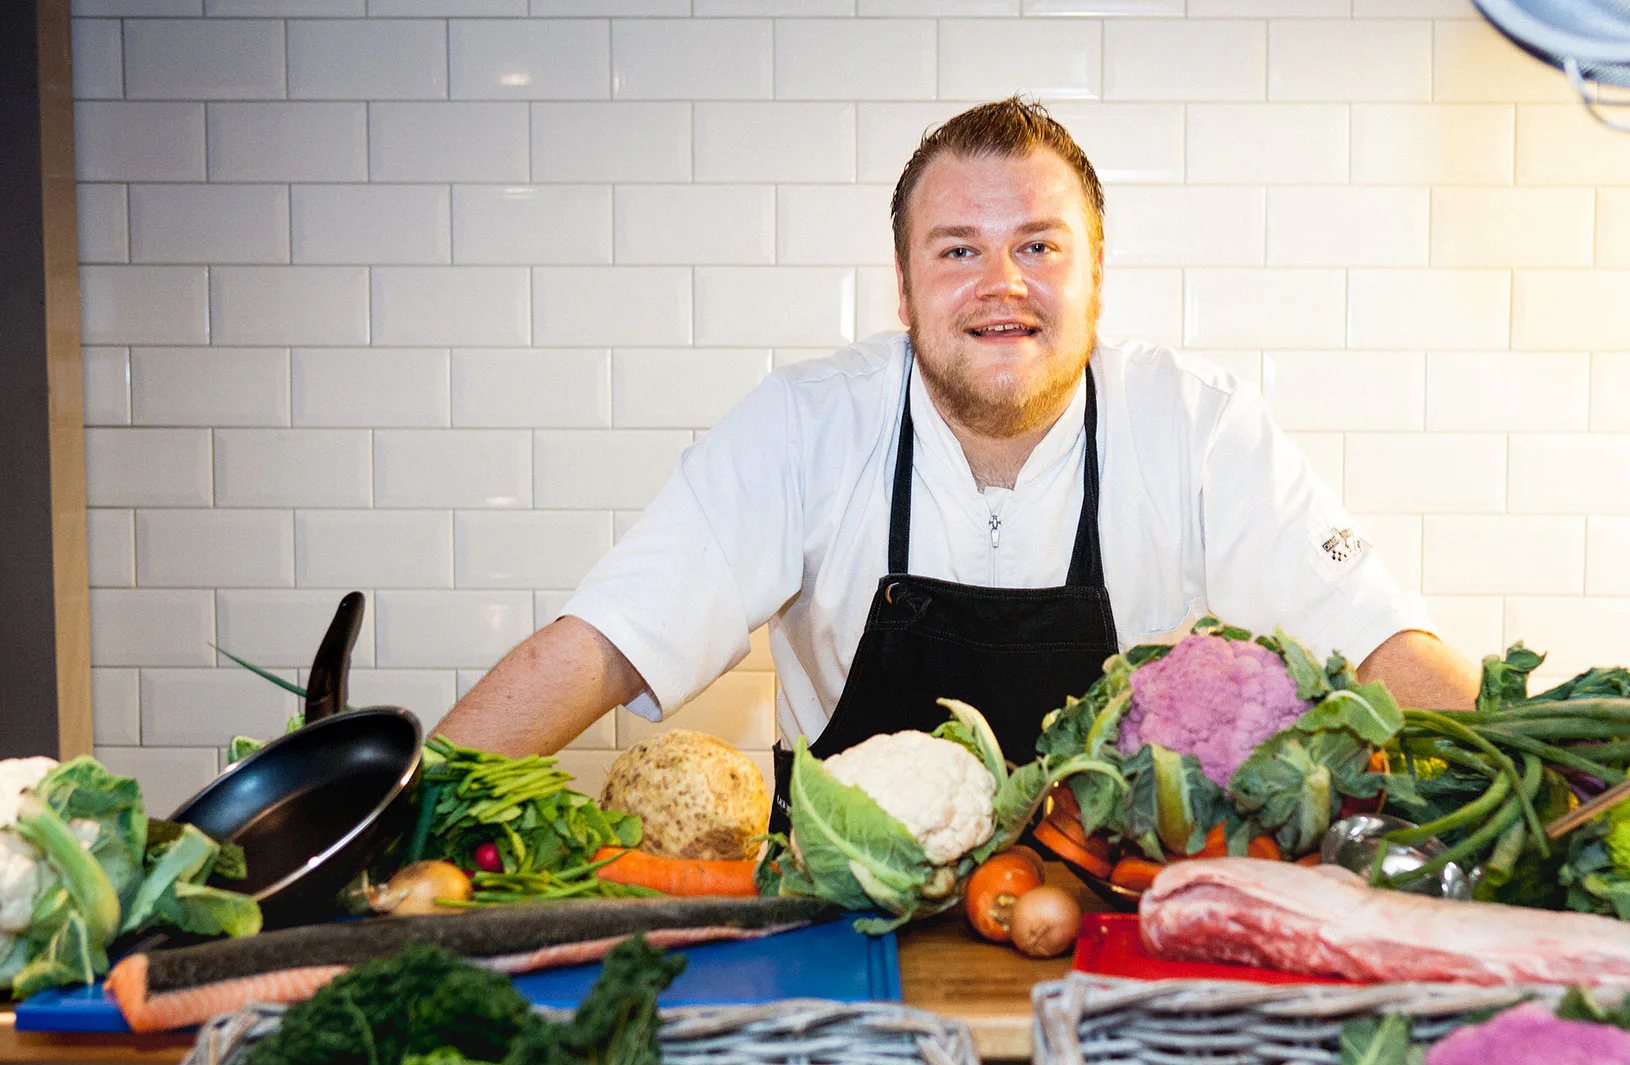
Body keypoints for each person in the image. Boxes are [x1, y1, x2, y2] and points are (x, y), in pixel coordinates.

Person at [436, 97, 1477, 824]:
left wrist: (1540, 788)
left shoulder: (1197, 427)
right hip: (848, 936)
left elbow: (1383, 646)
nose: (1001, 284)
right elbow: (604, 645)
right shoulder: (807, 425)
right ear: (903, 286)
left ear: (1096, 275)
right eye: (958, 250)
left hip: (1110, 923)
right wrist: (406, 808)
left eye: (1038, 244)